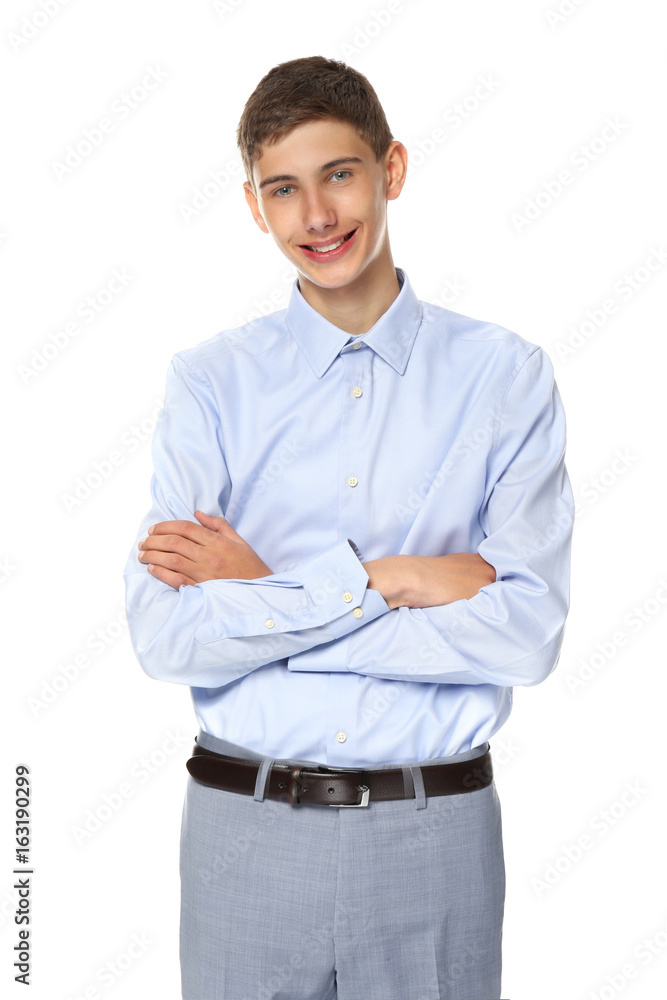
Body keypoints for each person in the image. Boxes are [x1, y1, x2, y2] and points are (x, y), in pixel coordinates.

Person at [123, 55, 574, 1000]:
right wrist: (392, 579)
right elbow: (167, 637)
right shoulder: (210, 383)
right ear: (255, 208)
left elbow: (525, 635)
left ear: (390, 169)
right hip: (245, 833)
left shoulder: (505, 376)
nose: (317, 216)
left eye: (338, 174)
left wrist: (260, 595)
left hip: (432, 837)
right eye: (283, 189)